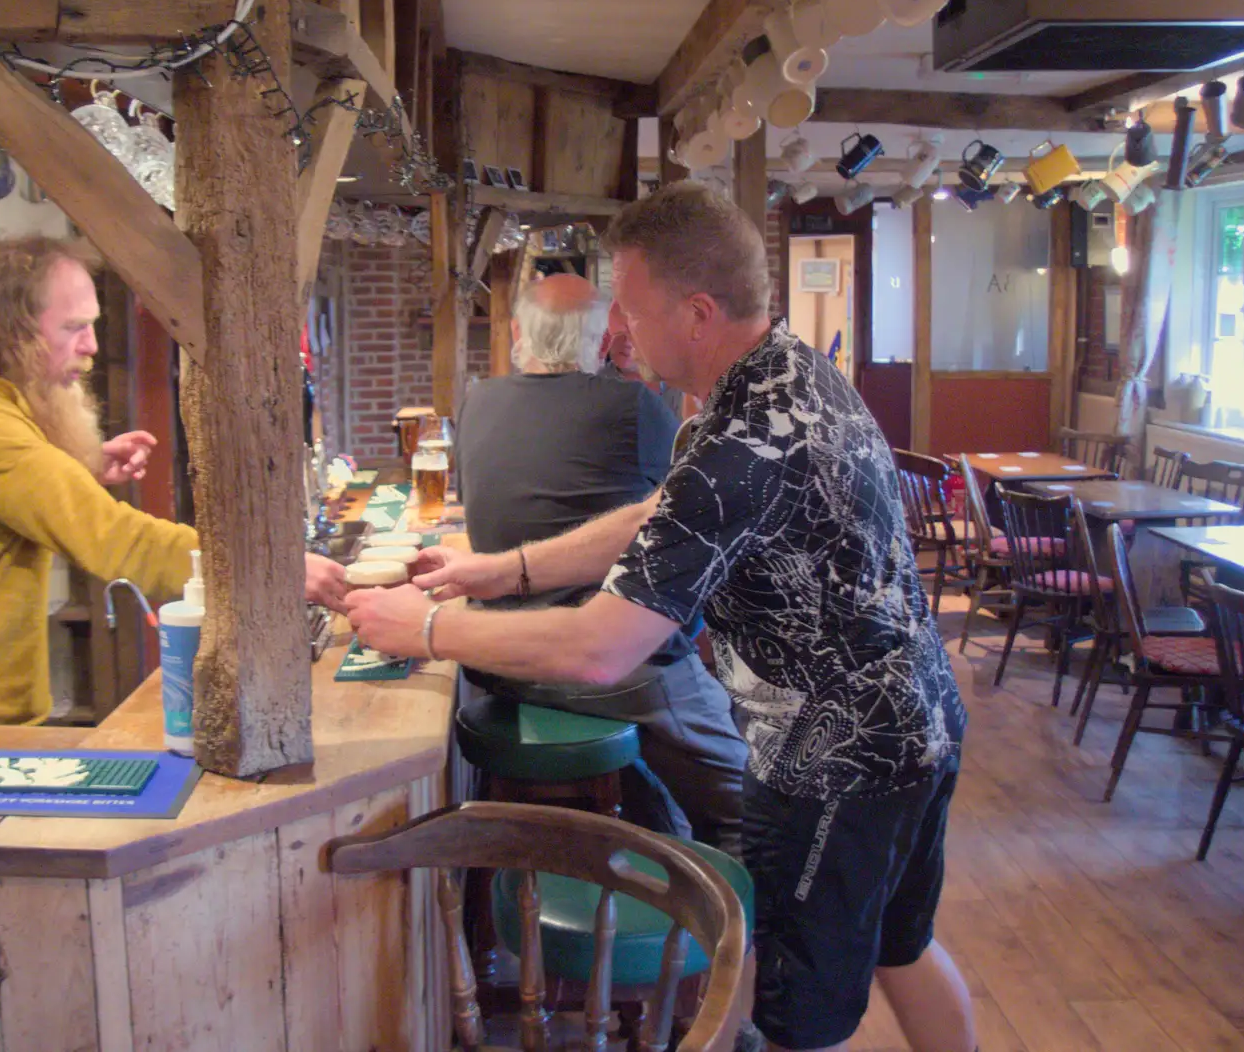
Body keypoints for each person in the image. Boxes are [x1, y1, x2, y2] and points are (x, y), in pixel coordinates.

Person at [348, 184, 974, 1052]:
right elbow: (659, 517)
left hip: (838, 759)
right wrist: (505, 570)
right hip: (922, 721)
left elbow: (601, 649)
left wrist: (419, 628)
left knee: (798, 1014)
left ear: (698, 313)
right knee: (900, 949)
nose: (616, 336)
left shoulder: (740, 444)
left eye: (632, 314)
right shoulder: (785, 375)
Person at [0, 236, 347, 725]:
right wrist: (267, 568)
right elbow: (120, 541)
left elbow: (9, 486)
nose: (90, 345)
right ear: (9, 330)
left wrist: (80, 469)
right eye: (74, 328)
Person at [455, 273, 745, 855]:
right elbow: (694, 512)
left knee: (659, 760)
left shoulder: (478, 400)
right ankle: (732, 937)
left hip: (498, 658)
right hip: (609, 666)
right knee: (748, 805)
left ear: (516, 332)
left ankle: (648, 839)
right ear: (604, 339)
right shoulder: (632, 405)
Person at [599, 302, 685, 418]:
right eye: (618, 333)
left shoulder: (677, 384)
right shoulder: (599, 384)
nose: (626, 342)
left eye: (634, 334)